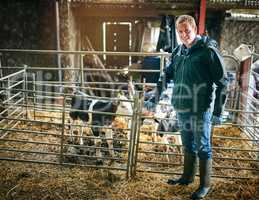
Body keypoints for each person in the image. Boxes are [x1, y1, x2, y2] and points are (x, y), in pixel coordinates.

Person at [154, 15, 228, 199]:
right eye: (180, 31)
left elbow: (223, 82)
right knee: (188, 145)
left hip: (200, 109)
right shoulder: (178, 52)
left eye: (187, 30)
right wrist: (154, 98)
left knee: (203, 147)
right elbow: (166, 75)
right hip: (181, 107)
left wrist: (218, 111)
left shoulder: (207, 51)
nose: (184, 34)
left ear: (195, 29)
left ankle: (204, 185)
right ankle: (186, 177)